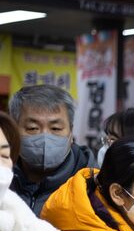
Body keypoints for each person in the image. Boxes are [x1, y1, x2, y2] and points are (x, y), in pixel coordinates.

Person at [8, 85, 96, 215]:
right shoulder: (3, 180)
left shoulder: (94, 186)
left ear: (71, 133)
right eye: (32, 128)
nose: (45, 137)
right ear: (13, 130)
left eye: (55, 128)